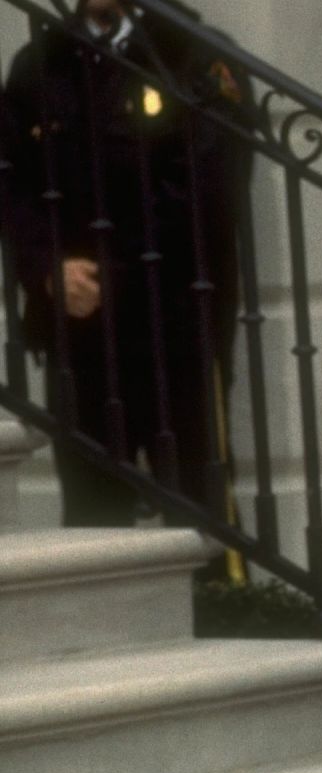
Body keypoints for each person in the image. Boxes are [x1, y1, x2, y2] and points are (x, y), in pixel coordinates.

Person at [1, 0, 253, 535]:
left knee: (197, 511)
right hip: (80, 328)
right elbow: (14, 187)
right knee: (94, 516)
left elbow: (207, 191)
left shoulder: (194, 56)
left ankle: (216, 617)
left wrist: (112, 277)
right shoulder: (40, 63)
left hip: (177, 323)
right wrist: (47, 268)